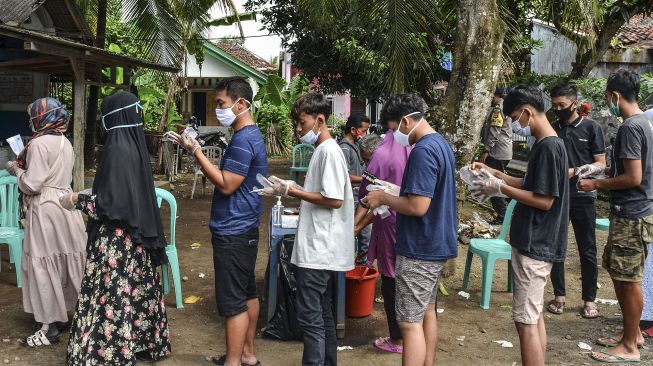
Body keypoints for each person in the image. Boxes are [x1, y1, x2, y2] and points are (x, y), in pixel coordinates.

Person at [62, 91, 171, 364]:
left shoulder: (116, 149)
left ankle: (110, 349)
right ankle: (140, 342)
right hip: (137, 241)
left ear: (112, 117)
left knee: (112, 295)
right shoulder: (135, 147)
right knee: (134, 291)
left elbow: (110, 207)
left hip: (116, 244)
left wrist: (76, 200)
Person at [172, 76, 267, 366]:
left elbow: (227, 185)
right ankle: (247, 355)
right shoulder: (248, 136)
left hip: (234, 230)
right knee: (246, 291)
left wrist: (196, 151)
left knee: (233, 302)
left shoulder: (243, 140)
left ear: (241, 103)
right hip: (243, 226)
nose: (219, 109)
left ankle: (233, 361)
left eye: (222, 103)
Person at [471, 85, 569, 366]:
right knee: (533, 316)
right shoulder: (546, 144)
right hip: (534, 240)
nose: (515, 125)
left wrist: (500, 187)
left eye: (515, 118)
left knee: (525, 322)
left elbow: (544, 200)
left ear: (527, 111)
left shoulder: (549, 146)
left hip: (535, 243)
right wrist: (496, 175)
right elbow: (530, 185)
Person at [363, 93, 457, 366]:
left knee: (408, 323)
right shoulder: (440, 144)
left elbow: (417, 206)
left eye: (393, 130)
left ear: (406, 121)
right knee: (427, 312)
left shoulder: (423, 151)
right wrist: (395, 191)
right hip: (436, 242)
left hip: (420, 247)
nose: (394, 137)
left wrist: (382, 197)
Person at [270, 92, 355, 366]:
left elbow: (334, 199)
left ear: (320, 119)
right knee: (322, 313)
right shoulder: (324, 149)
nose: (298, 129)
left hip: (320, 249)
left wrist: (294, 189)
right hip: (322, 247)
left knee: (311, 317)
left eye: (302, 123)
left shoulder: (329, 150)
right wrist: (295, 189)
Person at [578, 70, 653, 363]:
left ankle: (631, 347)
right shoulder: (643, 123)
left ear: (615, 96)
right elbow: (631, 169)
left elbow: (634, 177)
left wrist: (595, 184)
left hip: (633, 214)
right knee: (616, 270)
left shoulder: (631, 127)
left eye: (607, 97)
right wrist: (600, 170)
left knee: (629, 278)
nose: (607, 101)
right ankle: (630, 335)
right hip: (632, 212)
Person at [4, 98, 87, 347]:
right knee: (66, 259)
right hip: (66, 204)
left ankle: (50, 325)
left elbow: (32, 184)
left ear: (42, 117)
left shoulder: (38, 144)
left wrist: (15, 170)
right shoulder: (66, 142)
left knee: (44, 262)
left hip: (45, 208)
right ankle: (71, 315)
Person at [546, 84, 606, 319]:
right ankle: (559, 296)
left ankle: (589, 300)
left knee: (587, 249)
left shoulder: (592, 128)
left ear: (575, 103)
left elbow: (601, 163)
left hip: (584, 196)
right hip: (558, 196)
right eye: (555, 106)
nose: (559, 109)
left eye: (562, 105)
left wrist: (576, 171)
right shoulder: (553, 129)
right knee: (556, 246)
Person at [355, 124, 411, 355]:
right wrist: (358, 226)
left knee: (391, 281)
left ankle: (398, 338)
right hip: (396, 227)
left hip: (391, 230)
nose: (368, 166)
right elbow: (376, 208)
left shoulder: (383, 166)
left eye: (368, 160)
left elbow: (368, 202)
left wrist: (355, 224)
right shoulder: (402, 162)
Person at [339, 113, 371, 264]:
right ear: (353, 130)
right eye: (363, 131)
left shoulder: (358, 147)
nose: (365, 134)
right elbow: (345, 177)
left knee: (365, 236)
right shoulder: (345, 148)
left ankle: (362, 266)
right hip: (351, 198)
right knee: (351, 235)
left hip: (361, 198)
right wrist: (368, 179)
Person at [480, 87, 513, 225]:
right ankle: (512, 208)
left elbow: (494, 131)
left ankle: (503, 215)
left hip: (497, 152)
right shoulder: (504, 107)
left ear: (495, 95)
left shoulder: (498, 109)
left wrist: (486, 150)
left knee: (492, 183)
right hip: (502, 151)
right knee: (500, 182)